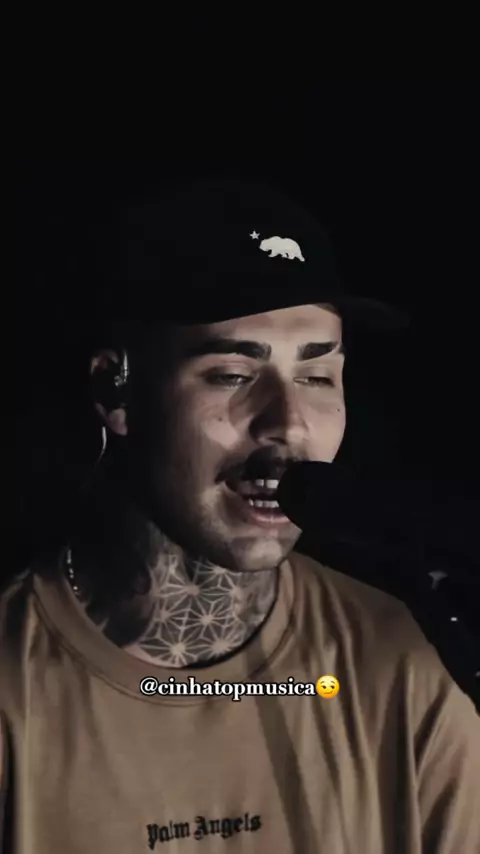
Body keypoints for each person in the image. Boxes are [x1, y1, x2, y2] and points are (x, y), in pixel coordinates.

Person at [2, 178, 479, 853]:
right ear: (116, 389)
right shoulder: (14, 690)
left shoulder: (411, 665)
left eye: (317, 377)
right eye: (232, 374)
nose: (289, 425)